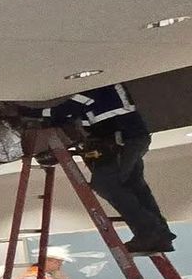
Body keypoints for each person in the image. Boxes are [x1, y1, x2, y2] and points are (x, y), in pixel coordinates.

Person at [38, 83, 175, 255]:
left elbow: (65, 110)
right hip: (128, 140)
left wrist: (29, 113)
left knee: (106, 183)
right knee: (134, 187)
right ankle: (159, 236)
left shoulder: (95, 87)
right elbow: (69, 115)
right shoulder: (102, 90)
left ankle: (150, 233)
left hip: (121, 141)